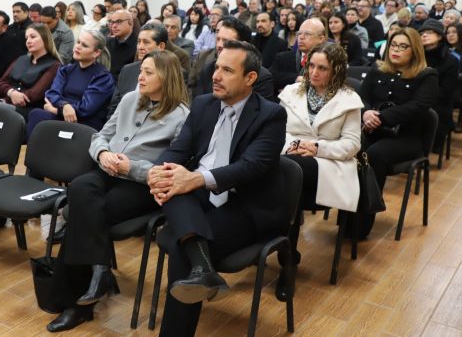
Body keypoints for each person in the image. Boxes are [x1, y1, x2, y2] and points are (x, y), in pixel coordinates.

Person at [146, 41, 288, 336]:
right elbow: (178, 149)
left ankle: (196, 272)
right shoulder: (203, 104)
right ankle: (204, 270)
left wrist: (196, 179)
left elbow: (251, 167)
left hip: (245, 205)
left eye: (227, 70)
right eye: (216, 68)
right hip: (200, 197)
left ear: (250, 78)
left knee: (180, 245)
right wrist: (157, 172)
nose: (215, 76)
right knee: (173, 182)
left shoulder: (271, 114)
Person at [44, 50, 189, 332]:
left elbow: (170, 170)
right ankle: (100, 269)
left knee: (83, 214)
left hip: (140, 185)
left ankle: (77, 306)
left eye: (148, 72)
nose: (140, 77)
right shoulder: (130, 99)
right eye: (141, 70)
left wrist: (130, 167)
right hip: (108, 170)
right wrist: (103, 154)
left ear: (166, 77)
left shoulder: (181, 117)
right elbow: (100, 135)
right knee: (80, 187)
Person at [278, 43, 363, 293]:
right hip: (291, 156)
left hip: (329, 165)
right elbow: (276, 130)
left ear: (336, 70)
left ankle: (285, 256)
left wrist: (317, 148)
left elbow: (352, 144)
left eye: (322, 68)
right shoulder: (291, 92)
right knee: (289, 173)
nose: (314, 72)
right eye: (311, 65)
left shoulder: (349, 100)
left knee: (291, 173)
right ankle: (287, 256)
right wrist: (295, 145)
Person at [359, 28, 438, 236]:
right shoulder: (378, 69)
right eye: (393, 45)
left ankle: (361, 224)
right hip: (374, 131)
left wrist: (380, 117)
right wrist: (366, 113)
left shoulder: (426, 75)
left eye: (403, 46)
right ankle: (347, 217)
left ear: (415, 50)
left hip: (407, 138)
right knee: (353, 148)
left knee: (373, 154)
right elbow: (361, 97)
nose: (396, 50)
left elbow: (418, 107)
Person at [26, 30, 115, 140]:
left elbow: (86, 108)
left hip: (84, 123)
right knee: (36, 114)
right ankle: (34, 151)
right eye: (78, 42)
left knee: (40, 117)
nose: (78, 47)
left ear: (96, 53)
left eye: (84, 45)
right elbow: (52, 94)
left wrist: (57, 110)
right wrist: (64, 105)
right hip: (62, 117)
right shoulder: (66, 69)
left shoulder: (103, 77)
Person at [0, 23, 61, 120]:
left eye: (33, 37)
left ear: (45, 39)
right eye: (26, 38)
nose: (28, 41)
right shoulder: (21, 59)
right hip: (5, 102)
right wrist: (11, 93)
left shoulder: (54, 65)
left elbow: (34, 94)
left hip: (27, 109)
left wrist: (7, 98)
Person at [419, 19, 458, 152]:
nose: (424, 35)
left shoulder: (450, 60)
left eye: (429, 32)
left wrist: (421, 99)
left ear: (440, 36)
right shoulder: (416, 56)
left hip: (438, 105)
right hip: (415, 99)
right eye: (422, 33)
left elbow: (446, 91)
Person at [270, 18, 328, 92]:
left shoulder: (329, 60)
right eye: (299, 34)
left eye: (307, 34)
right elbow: (270, 76)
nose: (301, 37)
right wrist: (296, 78)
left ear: (321, 39)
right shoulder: (283, 57)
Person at [105, 10, 137, 78]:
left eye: (119, 21)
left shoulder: (138, 45)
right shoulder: (108, 42)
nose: (114, 26)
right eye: (112, 22)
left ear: (130, 23)